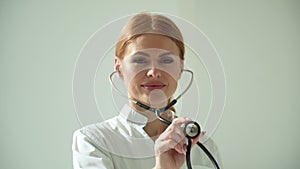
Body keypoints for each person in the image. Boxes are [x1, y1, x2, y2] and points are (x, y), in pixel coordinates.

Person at [72, 12, 222, 169]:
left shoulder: (203, 146)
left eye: (166, 60)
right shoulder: (93, 141)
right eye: (140, 60)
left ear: (180, 68)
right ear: (119, 68)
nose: (154, 72)